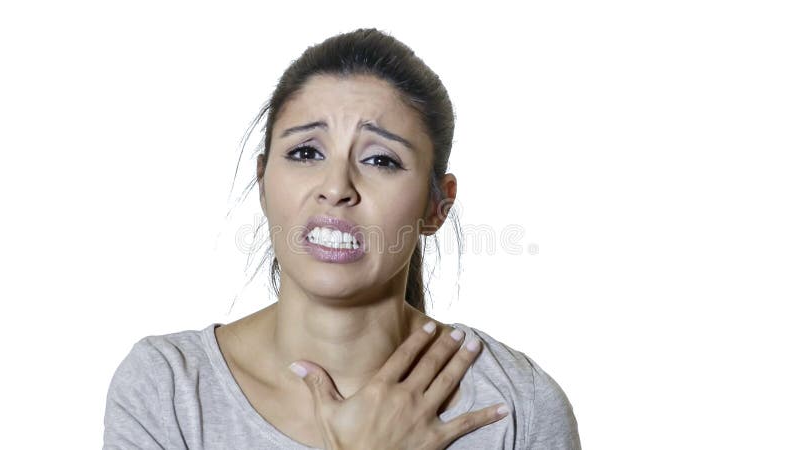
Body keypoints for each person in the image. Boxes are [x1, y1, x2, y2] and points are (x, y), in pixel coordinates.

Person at [103, 28, 581, 449]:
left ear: (438, 205)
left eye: (381, 160)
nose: (336, 187)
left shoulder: (517, 405)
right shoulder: (168, 389)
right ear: (264, 181)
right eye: (307, 151)